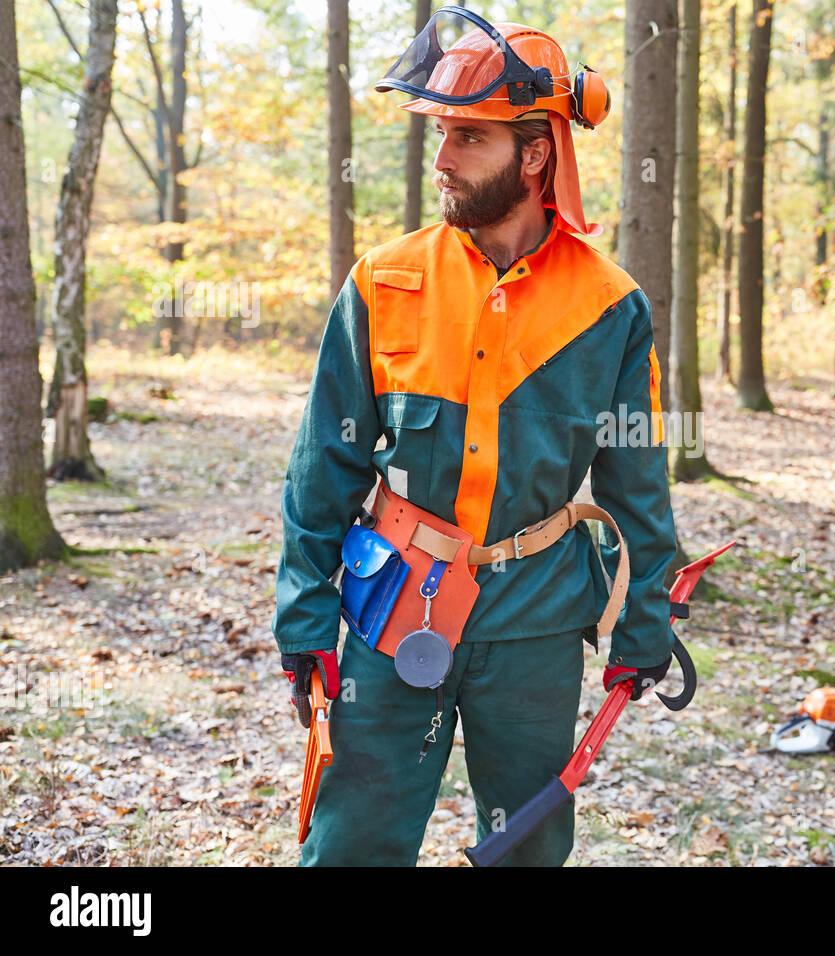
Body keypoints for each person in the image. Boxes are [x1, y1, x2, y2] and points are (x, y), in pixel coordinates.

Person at [271, 9, 677, 866]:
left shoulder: (611, 308)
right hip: (394, 606)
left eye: (469, 138)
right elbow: (323, 468)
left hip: (536, 618)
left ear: (535, 155)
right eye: (443, 134)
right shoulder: (385, 282)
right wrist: (305, 615)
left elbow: (637, 483)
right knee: (352, 844)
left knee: (527, 846)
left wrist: (643, 619)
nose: (444, 159)